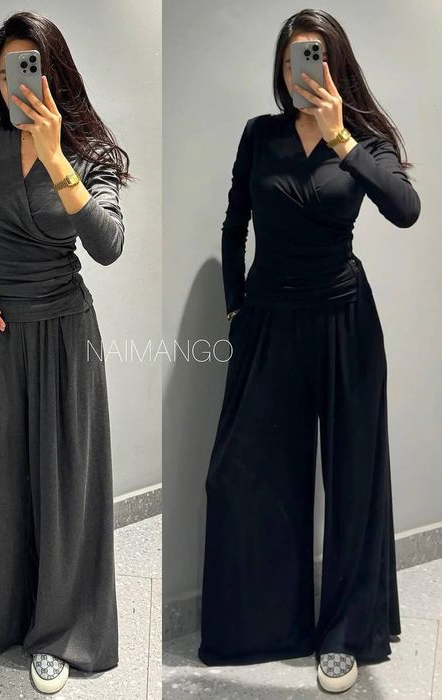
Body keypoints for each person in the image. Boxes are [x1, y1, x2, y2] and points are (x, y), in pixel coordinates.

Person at [197, 9, 421, 695]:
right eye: (293, 57)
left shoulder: (366, 139)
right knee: (242, 475)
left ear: (335, 64)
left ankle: (346, 634)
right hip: (267, 321)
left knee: (353, 479)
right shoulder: (259, 135)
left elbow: (406, 208)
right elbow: (234, 222)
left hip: (345, 322)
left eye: (315, 56)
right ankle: (265, 627)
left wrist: (342, 138)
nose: (303, 70)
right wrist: (234, 307)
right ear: (282, 67)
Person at [0, 11, 130, 695]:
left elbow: (108, 245)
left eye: (27, 68)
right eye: (4, 70)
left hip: (64, 336)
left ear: (53, 73)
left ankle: (59, 635)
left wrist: (54, 155)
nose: (14, 83)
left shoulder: (88, 152)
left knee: (61, 487)